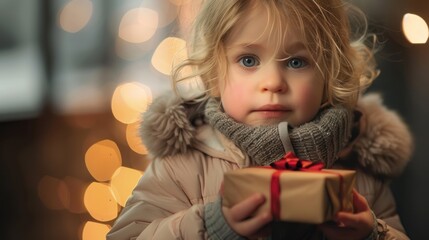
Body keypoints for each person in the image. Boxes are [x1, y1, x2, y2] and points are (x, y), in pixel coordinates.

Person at [107, 0, 413, 239]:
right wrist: (211, 227)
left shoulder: (358, 165)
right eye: (249, 60)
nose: (273, 82)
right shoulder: (182, 165)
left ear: (329, 74)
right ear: (215, 72)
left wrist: (371, 234)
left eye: (296, 62)